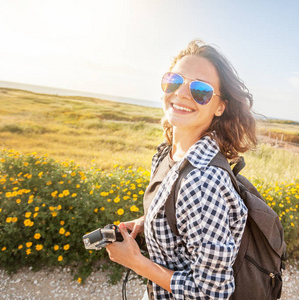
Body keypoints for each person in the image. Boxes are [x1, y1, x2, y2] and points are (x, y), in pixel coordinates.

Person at [106, 39, 257, 299]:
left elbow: (212, 294)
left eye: (201, 90)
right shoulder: (169, 153)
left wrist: (136, 263)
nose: (182, 94)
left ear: (220, 106)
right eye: (175, 81)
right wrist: (147, 222)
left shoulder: (201, 182)